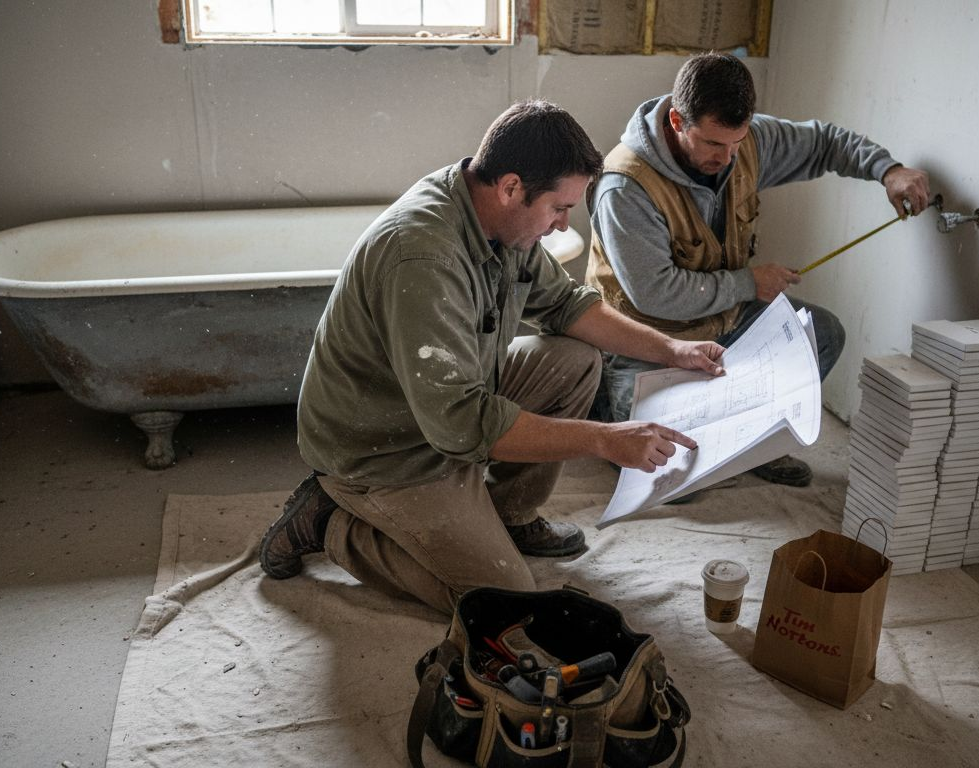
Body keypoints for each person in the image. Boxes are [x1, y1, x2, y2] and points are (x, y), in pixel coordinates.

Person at [259, 100, 729, 614]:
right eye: (558, 208)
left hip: (446, 402)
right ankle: (332, 522)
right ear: (510, 187)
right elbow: (461, 423)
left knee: (575, 360)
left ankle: (508, 513)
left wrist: (673, 349)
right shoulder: (423, 255)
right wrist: (603, 439)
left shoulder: (499, 217)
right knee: (501, 599)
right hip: (382, 445)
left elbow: (567, 305)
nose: (561, 224)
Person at [587, 52, 931, 488]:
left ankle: (752, 445)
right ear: (677, 121)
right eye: (713, 144)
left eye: (737, 141)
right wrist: (750, 282)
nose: (728, 157)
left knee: (821, 334)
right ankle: (607, 402)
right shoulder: (625, 186)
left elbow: (824, 142)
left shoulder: (743, 143)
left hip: (719, 320)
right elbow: (655, 294)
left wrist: (888, 170)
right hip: (646, 341)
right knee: (668, 482)